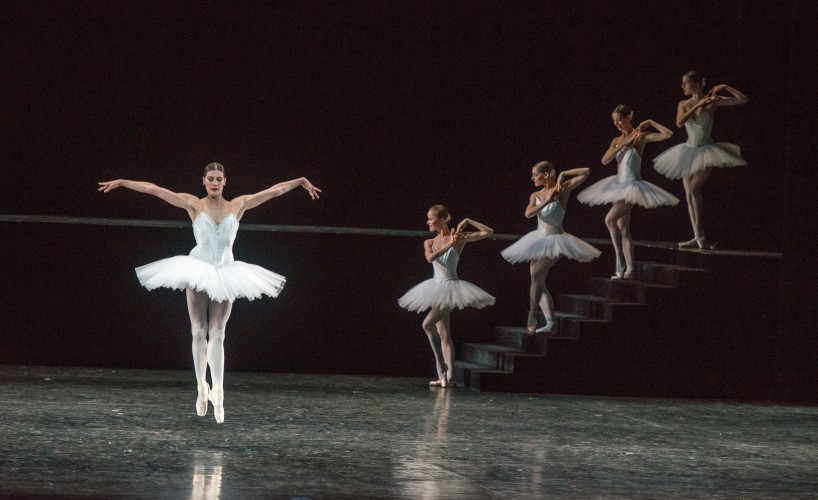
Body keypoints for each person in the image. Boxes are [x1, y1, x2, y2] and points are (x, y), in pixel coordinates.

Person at [98, 162, 321, 423]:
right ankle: (200, 387)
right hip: (198, 268)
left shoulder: (238, 205)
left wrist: (300, 180)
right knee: (197, 329)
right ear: (203, 181)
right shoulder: (194, 204)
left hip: (226, 271)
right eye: (210, 179)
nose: (214, 183)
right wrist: (124, 182)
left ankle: (219, 390)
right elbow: (155, 190)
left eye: (218, 179)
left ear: (225, 181)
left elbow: (274, 191)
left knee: (218, 332)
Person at [398, 205, 495, 388]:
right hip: (435, 286)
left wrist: (468, 221)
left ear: (442, 220)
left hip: (451, 289)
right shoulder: (429, 242)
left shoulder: (459, 239)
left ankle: (441, 366)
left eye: (431, 219)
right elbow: (430, 259)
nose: (428, 222)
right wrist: (450, 244)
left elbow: (488, 232)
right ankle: (449, 378)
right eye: (428, 219)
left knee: (426, 324)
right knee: (444, 335)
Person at [577, 104, 679, 279]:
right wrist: (623, 143)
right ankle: (630, 270)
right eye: (614, 121)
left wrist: (651, 122)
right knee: (623, 228)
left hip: (633, 186)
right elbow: (605, 160)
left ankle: (619, 260)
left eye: (620, 120)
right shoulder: (616, 140)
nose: (617, 124)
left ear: (629, 117)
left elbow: (668, 134)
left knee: (610, 219)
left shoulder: (640, 137)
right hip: (618, 185)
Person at [501, 161, 601, 335]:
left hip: (556, 239)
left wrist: (563, 174)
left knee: (535, 274)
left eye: (535, 174)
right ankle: (551, 323)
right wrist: (546, 201)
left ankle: (532, 314)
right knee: (539, 281)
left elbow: (586, 171)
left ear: (547, 174)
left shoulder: (563, 189)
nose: (532, 177)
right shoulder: (536, 195)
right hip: (538, 238)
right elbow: (528, 214)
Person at [653, 71, 749, 248]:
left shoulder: (713, 101)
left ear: (697, 85)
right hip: (688, 150)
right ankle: (698, 236)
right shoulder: (683, 103)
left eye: (685, 83)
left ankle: (700, 237)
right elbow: (679, 123)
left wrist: (725, 87)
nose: (682, 87)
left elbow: (743, 99)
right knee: (688, 196)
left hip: (707, 150)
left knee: (693, 190)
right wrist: (697, 106)